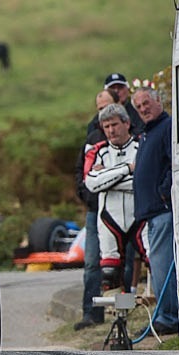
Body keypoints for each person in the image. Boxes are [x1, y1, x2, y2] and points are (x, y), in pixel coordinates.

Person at [131, 87, 179, 335]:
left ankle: (168, 318)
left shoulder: (167, 126)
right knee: (157, 265)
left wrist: (164, 190)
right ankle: (164, 315)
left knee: (161, 264)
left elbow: (175, 163)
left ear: (158, 101)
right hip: (150, 212)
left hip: (162, 209)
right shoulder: (147, 133)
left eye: (146, 103)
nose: (143, 109)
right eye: (138, 107)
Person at [84, 103, 144, 292]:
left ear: (126, 123)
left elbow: (143, 180)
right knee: (110, 274)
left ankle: (163, 315)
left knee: (156, 263)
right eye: (106, 127)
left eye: (115, 125)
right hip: (109, 217)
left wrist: (108, 178)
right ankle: (121, 316)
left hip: (140, 215)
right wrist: (127, 169)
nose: (111, 130)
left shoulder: (141, 145)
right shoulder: (97, 150)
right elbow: (92, 184)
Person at [73, 90, 118, 330]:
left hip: (120, 210)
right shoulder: (92, 136)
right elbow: (80, 170)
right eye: (100, 108)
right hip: (95, 210)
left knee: (120, 262)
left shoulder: (128, 135)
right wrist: (87, 196)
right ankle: (91, 313)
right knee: (91, 262)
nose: (103, 112)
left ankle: (121, 311)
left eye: (107, 106)